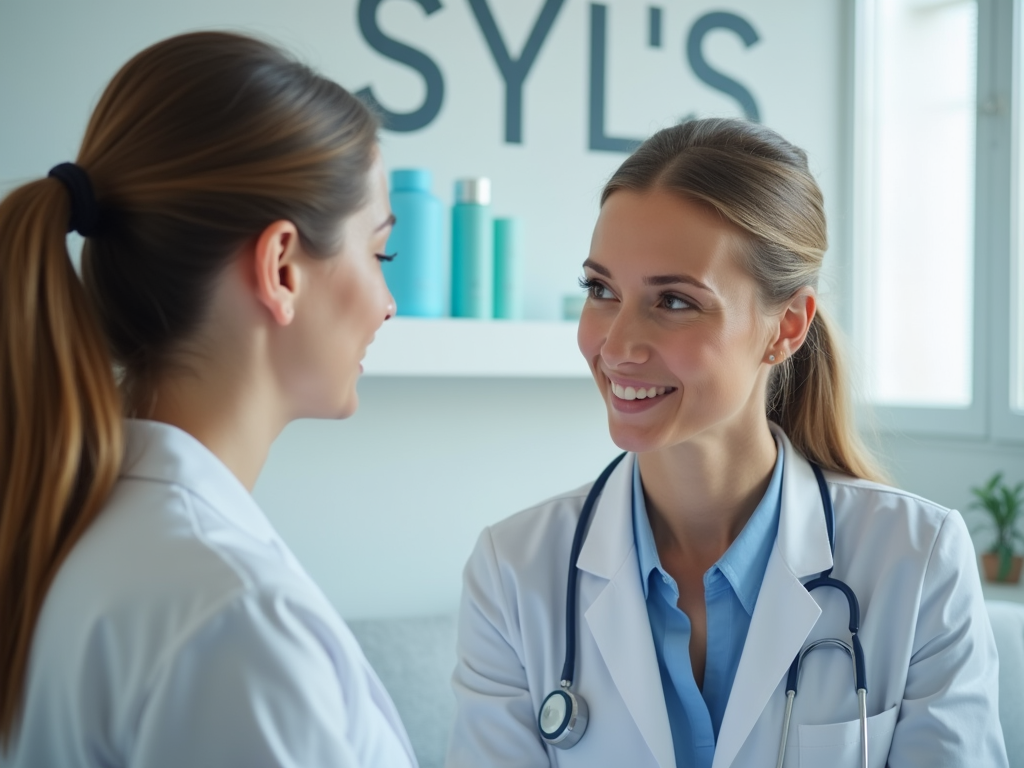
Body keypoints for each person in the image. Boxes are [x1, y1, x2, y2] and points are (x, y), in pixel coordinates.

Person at [446, 118, 1008, 768]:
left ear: (786, 327)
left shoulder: (918, 560)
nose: (618, 346)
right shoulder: (513, 571)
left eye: (676, 302)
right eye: (601, 290)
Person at [0, 32, 416, 767]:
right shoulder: (236, 617)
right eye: (377, 252)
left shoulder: (69, 527)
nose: (387, 304)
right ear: (282, 266)